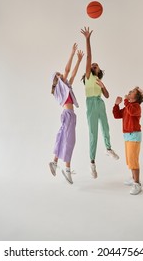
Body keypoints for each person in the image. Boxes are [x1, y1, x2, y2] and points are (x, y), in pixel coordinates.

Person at [81, 27, 119, 179]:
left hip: (100, 103)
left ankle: (108, 148)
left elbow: (108, 96)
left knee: (106, 127)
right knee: (93, 134)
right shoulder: (89, 76)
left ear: (99, 70)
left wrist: (103, 86)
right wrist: (88, 39)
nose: (93, 65)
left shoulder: (99, 80)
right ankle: (92, 163)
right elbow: (89, 56)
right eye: (92, 65)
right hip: (91, 104)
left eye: (95, 65)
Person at [49, 43, 84, 184]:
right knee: (69, 141)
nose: (62, 75)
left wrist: (79, 60)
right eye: (59, 75)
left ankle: (55, 162)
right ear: (56, 80)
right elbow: (67, 69)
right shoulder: (58, 88)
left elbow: (73, 73)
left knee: (65, 138)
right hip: (68, 115)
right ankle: (67, 169)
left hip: (70, 116)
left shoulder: (66, 87)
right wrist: (72, 53)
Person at [112, 87, 143, 195]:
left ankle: (137, 184)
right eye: (130, 91)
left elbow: (131, 110)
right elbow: (117, 115)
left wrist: (125, 101)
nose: (130, 92)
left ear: (136, 98)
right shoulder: (127, 107)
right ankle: (133, 177)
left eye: (133, 92)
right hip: (127, 136)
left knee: (133, 161)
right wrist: (116, 105)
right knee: (130, 160)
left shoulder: (136, 107)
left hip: (134, 136)